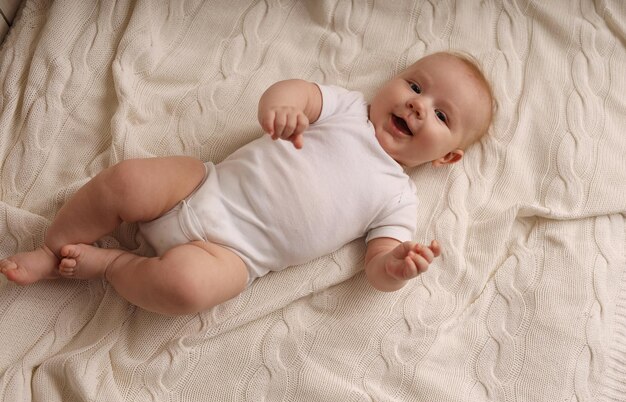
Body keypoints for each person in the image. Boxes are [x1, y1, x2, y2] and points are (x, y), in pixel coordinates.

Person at [0, 52, 493, 315]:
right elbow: (294, 92)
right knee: (126, 180)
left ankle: (111, 266)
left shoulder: (397, 196)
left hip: (235, 257)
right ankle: (54, 248)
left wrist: (396, 268)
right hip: (200, 187)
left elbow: (376, 267)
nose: (417, 105)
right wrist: (282, 107)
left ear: (446, 157)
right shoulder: (346, 108)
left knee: (186, 289)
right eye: (414, 85)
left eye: (441, 114)